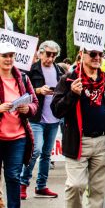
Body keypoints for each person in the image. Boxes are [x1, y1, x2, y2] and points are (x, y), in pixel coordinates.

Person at [51, 46, 105, 208]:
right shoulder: (68, 79)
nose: (97, 57)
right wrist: (72, 94)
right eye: (93, 54)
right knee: (75, 185)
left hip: (103, 142)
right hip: (78, 141)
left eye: (100, 54)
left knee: (98, 192)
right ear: (82, 55)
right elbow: (56, 111)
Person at [19, 40, 63, 199]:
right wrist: (38, 90)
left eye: (54, 55)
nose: (50, 58)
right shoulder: (32, 69)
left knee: (46, 154)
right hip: (36, 118)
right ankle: (23, 183)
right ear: (40, 53)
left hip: (53, 118)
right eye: (48, 54)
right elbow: (21, 93)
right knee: (35, 151)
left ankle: (41, 185)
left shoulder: (58, 70)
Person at [0, 42, 38, 208]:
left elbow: (35, 103)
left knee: (13, 176)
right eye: (4, 56)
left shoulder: (23, 78)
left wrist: (27, 108)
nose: (8, 59)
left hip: (18, 137)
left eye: (11, 56)